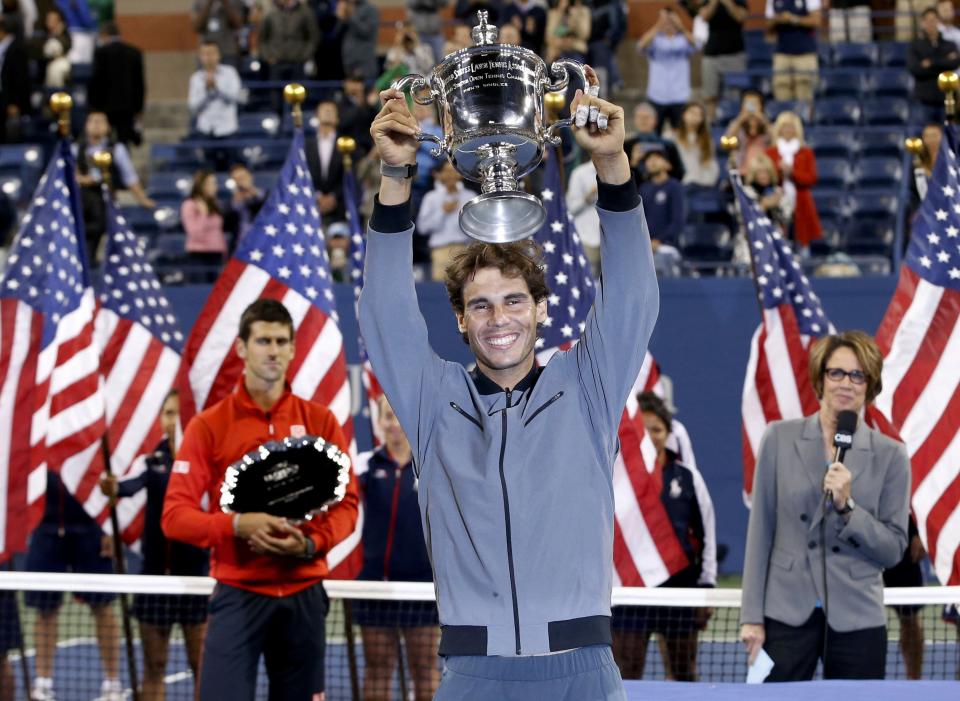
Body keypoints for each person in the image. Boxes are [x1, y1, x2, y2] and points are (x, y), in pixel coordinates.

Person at [360, 69, 657, 699]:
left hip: (582, 669)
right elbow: (384, 314)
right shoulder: (434, 402)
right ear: (461, 320)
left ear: (542, 309)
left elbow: (632, 296)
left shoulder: (587, 389)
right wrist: (394, 180)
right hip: (474, 673)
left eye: (515, 301)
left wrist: (612, 167)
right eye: (483, 305)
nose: (501, 319)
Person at [162, 298, 360, 700]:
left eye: (281, 341)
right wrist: (236, 524)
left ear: (292, 349)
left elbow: (348, 505)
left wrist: (310, 543)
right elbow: (174, 516)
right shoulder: (208, 426)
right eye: (263, 340)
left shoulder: (321, 421)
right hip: (238, 594)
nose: (273, 350)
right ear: (241, 348)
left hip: (305, 592)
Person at [740, 331, 911, 681]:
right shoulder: (778, 438)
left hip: (857, 616)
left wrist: (848, 507)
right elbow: (760, 533)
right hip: (785, 613)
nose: (846, 383)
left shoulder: (892, 455)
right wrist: (751, 617)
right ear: (820, 378)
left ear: (870, 385)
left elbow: (893, 549)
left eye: (858, 375)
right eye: (837, 373)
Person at [99, 391, 208, 701]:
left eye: (179, 413)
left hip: (196, 579)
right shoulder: (150, 460)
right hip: (154, 579)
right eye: (168, 413)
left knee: (201, 665)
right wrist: (112, 486)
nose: (174, 420)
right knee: (154, 664)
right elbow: (126, 486)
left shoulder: (206, 459)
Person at [612, 393, 716, 681]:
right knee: (626, 675)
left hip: (680, 591)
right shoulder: (618, 481)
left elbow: (706, 531)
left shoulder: (687, 476)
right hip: (631, 594)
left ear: (669, 433)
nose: (650, 436)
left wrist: (707, 586)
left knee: (683, 674)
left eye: (657, 429)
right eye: (643, 429)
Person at [354, 396, 440, 701]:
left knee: (425, 668)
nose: (393, 424)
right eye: (387, 417)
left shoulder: (432, 466)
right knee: (377, 668)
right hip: (374, 588)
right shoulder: (363, 467)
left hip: (422, 590)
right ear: (379, 423)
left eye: (397, 415)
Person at [25, 473, 123, 701]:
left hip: (91, 529)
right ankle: (43, 683)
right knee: (45, 609)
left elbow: (113, 475)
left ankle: (112, 683)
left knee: (103, 607)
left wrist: (109, 527)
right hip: (46, 529)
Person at [75, 111, 156, 260]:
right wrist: (82, 179)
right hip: (82, 200)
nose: (97, 124)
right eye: (92, 121)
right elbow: (70, 174)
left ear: (108, 127)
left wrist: (143, 199)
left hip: (105, 200)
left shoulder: (117, 149)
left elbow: (130, 177)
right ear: (86, 126)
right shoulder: (77, 149)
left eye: (101, 121)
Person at [764, 111, 821, 253]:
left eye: (791, 126)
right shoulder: (770, 152)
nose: (788, 130)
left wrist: (792, 172)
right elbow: (766, 178)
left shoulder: (806, 152)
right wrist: (780, 171)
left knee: (802, 245)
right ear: (779, 129)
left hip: (801, 202)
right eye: (784, 126)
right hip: (777, 203)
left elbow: (811, 178)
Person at [637, 7, 696, 132]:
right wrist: (659, 25)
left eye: (670, 19)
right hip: (657, 95)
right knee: (654, 132)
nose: (668, 22)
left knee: (681, 133)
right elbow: (641, 46)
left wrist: (681, 26)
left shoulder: (683, 39)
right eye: (664, 19)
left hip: (679, 95)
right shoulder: (655, 39)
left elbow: (696, 45)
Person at [187, 39, 242, 170]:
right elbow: (192, 107)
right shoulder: (196, 78)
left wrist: (217, 89)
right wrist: (207, 93)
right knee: (208, 170)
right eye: (205, 54)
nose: (209, 57)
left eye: (211, 53)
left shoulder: (230, 73)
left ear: (218, 55)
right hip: (206, 130)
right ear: (200, 57)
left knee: (232, 168)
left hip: (228, 129)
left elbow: (236, 97)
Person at [882, 515, 925, 680]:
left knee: (909, 618)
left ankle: (914, 682)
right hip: (854, 534)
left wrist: (920, 532)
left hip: (901, 533)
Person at [416, 160, 475, 281]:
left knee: (467, 287)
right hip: (441, 251)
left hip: (465, 250)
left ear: (460, 174)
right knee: (441, 292)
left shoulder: (470, 197)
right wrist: (442, 212)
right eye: (447, 171)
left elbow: (478, 226)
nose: (451, 175)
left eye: (454, 171)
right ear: (439, 174)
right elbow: (422, 228)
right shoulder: (431, 198)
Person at [88, 22, 145, 146]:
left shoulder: (101, 53)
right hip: (127, 108)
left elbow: (96, 82)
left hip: (105, 107)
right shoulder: (134, 53)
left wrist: (93, 106)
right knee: (123, 143)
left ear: (104, 35)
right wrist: (139, 109)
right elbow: (139, 85)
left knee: (105, 143)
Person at [908, 7, 959, 126]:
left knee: (947, 138)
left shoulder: (949, 44)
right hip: (924, 101)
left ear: (939, 22)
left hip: (945, 101)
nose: (931, 23)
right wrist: (943, 62)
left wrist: (930, 63)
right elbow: (915, 69)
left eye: (934, 20)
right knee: (925, 137)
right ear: (922, 23)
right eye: (928, 20)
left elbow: (954, 64)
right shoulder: (916, 46)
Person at [698, 0, 747, 117]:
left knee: (735, 94)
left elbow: (741, 17)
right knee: (710, 95)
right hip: (712, 55)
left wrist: (728, 3)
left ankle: (734, 123)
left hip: (735, 54)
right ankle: (712, 123)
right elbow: (703, 17)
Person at [766, 0, 821, 103]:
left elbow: (816, 20)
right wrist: (777, 19)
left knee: (805, 94)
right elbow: (767, 23)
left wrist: (793, 19)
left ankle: (805, 119)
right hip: (782, 53)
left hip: (805, 54)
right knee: (781, 91)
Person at [305, 100, 346, 224]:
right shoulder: (305, 145)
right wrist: (318, 196)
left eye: (331, 110)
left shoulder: (346, 144)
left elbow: (350, 176)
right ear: (316, 116)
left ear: (337, 118)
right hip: (311, 206)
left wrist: (333, 197)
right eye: (324, 109)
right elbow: (303, 173)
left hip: (340, 209)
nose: (328, 111)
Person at [181, 169, 228, 275]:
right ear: (201, 186)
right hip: (198, 254)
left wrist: (224, 253)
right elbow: (194, 233)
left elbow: (218, 233)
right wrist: (203, 214)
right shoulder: (189, 204)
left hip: (217, 254)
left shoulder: (216, 204)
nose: (215, 186)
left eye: (215, 183)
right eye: (211, 183)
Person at [259, 0, 318, 83]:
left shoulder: (305, 12)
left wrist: (304, 55)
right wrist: (268, 56)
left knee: (298, 92)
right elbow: (263, 38)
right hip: (276, 62)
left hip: (298, 62)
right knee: (274, 93)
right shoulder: (271, 12)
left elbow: (313, 38)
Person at [625, 101, 685, 182]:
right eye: (640, 117)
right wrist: (634, 162)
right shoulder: (627, 145)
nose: (643, 120)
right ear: (635, 120)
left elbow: (679, 173)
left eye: (647, 117)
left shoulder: (668, 145)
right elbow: (622, 177)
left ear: (655, 120)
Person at [638, 149, 685, 250]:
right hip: (646, 244)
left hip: (667, 245)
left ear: (668, 165)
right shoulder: (643, 188)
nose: (652, 161)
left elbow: (677, 221)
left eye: (657, 158)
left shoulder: (675, 187)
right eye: (648, 159)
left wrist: (659, 240)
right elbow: (639, 220)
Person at [668, 102, 719, 187]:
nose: (694, 116)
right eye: (692, 112)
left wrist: (707, 182)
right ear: (684, 114)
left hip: (700, 184)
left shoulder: (707, 141)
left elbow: (710, 164)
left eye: (699, 114)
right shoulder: (671, 137)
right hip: (679, 183)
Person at [724, 90, 771, 175]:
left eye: (755, 104)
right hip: (740, 171)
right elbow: (727, 143)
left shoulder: (766, 125)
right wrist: (740, 119)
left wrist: (761, 118)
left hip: (762, 173)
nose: (751, 107)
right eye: (748, 104)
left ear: (761, 106)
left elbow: (775, 140)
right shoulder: (736, 125)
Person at [565, 157, 600, 273]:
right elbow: (570, 208)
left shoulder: (617, 172)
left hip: (611, 239)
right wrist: (587, 198)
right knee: (587, 282)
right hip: (587, 238)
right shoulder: (580, 173)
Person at [0, 15, 29, 144]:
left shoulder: (17, 48)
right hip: (3, 99)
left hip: (12, 102)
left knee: (10, 137)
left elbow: (21, 79)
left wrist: (15, 103)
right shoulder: (4, 48)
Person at [224, 162, 265, 252]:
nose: (241, 182)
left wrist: (253, 194)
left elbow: (269, 211)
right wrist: (235, 202)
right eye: (237, 179)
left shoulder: (266, 196)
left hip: (262, 246)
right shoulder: (231, 203)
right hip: (240, 248)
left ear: (250, 176)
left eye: (243, 177)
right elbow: (226, 226)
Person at [337, 0, 380, 84]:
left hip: (363, 62)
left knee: (365, 93)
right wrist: (340, 17)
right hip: (347, 62)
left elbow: (367, 32)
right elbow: (338, 33)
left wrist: (350, 16)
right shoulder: (348, 7)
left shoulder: (370, 9)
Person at [35, 8, 72, 87]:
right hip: (41, 71)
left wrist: (57, 34)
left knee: (59, 66)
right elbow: (42, 53)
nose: (51, 22)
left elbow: (65, 47)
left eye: (54, 19)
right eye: (49, 19)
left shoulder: (65, 36)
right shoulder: (41, 36)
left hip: (58, 72)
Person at [407, 0, 450, 65]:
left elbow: (445, 3)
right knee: (421, 61)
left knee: (441, 60)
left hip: (436, 33)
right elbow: (410, 4)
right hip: (420, 33)